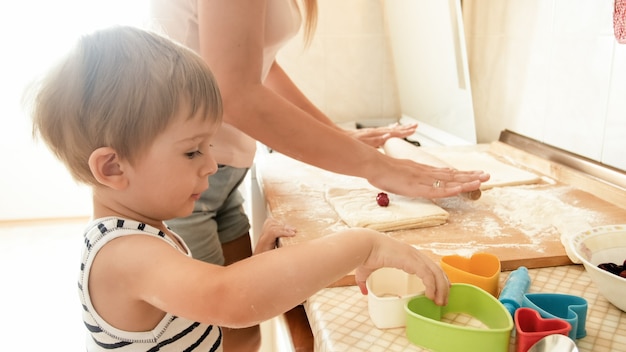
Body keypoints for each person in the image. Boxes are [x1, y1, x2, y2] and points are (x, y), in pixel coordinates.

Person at [28, 26, 451, 352]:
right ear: (113, 166)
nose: (211, 164)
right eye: (193, 152)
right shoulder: (123, 254)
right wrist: (363, 246)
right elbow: (228, 300)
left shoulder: (137, 231)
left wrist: (254, 264)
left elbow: (201, 296)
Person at [148, 1, 489, 350]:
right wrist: (376, 170)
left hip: (220, 175)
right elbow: (235, 93)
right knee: (205, 334)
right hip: (182, 179)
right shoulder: (120, 246)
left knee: (241, 335)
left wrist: (342, 140)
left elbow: (261, 66)